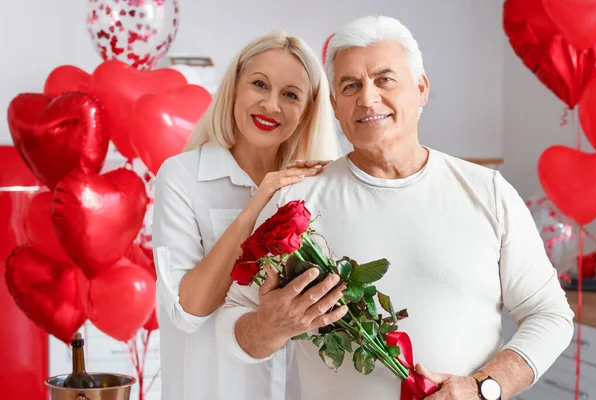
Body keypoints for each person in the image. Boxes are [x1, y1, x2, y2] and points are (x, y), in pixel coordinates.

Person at [216, 16, 574, 400]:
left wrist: (483, 387)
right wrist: (270, 326)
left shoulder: (487, 191)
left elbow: (550, 315)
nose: (367, 98)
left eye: (384, 79)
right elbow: (231, 326)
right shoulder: (295, 203)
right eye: (350, 86)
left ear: (420, 89)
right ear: (335, 106)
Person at [151, 29, 340, 400]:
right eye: (259, 84)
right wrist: (258, 204)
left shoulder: (314, 187)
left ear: (307, 111)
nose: (272, 105)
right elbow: (190, 309)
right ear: (234, 88)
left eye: (290, 95)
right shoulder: (182, 176)